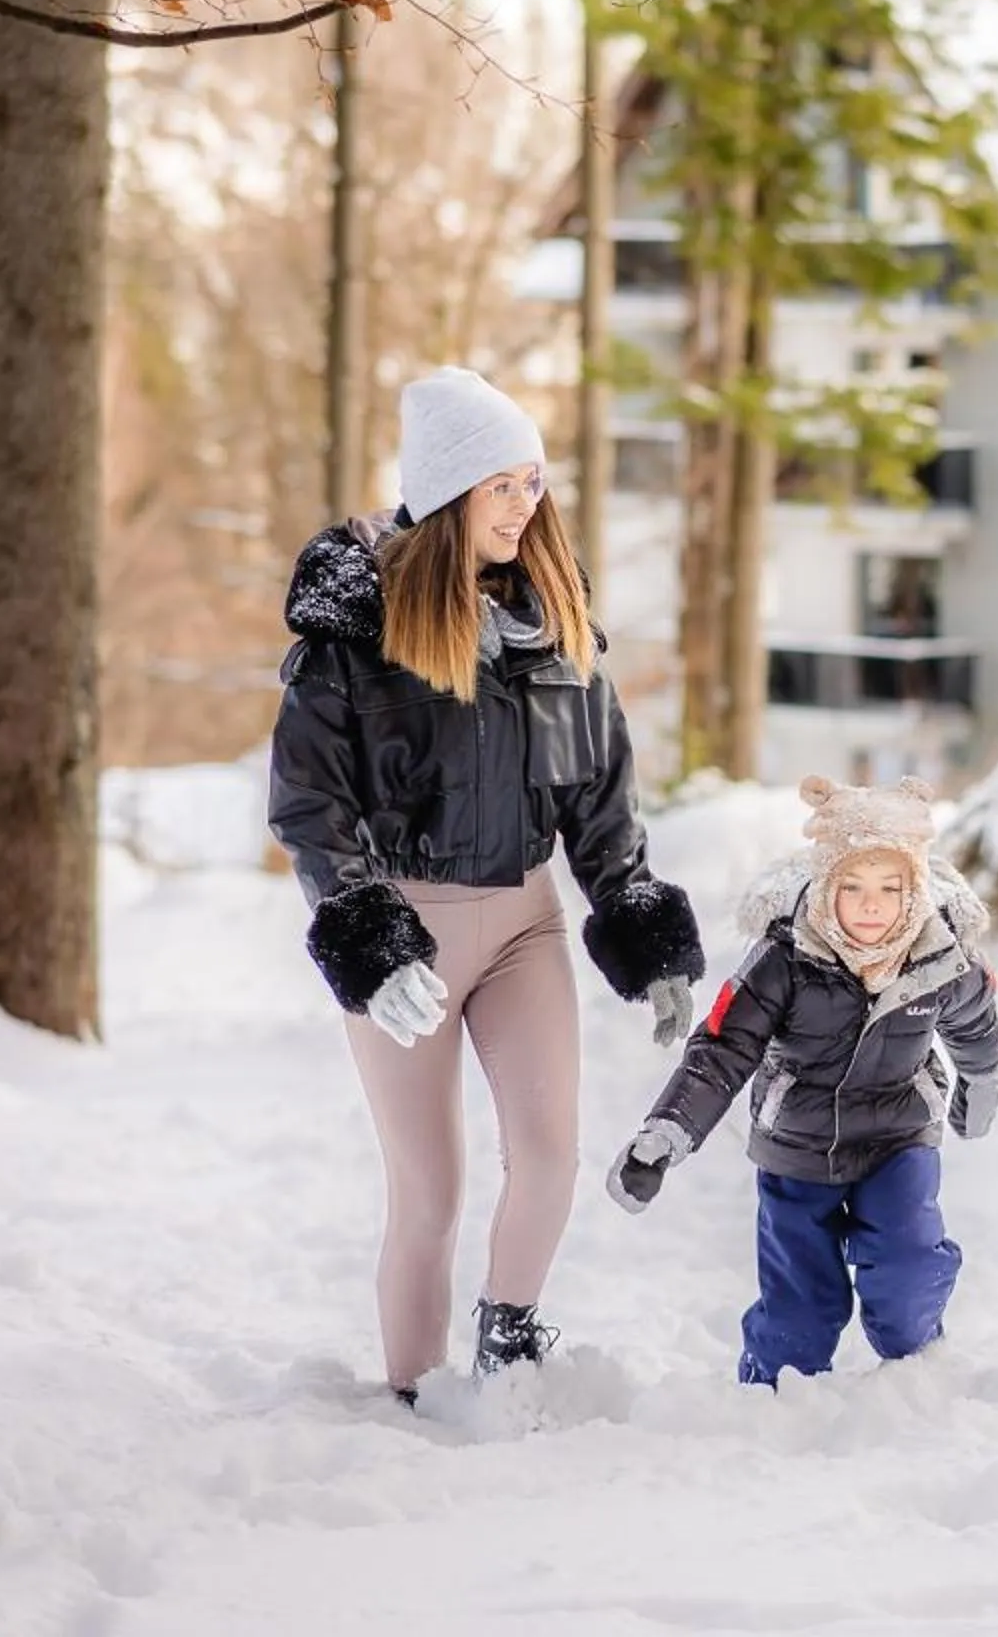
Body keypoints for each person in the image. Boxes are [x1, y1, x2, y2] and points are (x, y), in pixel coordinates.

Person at [268, 366, 706, 1405]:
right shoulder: (352, 642)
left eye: (533, 482)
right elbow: (309, 806)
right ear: (449, 490)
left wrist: (641, 930)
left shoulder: (557, 631)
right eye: (501, 484)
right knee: (430, 1190)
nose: (525, 504)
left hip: (524, 926)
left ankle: (508, 1337)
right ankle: (415, 1395)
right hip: (407, 934)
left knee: (549, 1153)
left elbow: (601, 800)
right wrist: (367, 939)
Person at [606, 775, 998, 1386]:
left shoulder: (940, 956)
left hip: (898, 1137)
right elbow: (722, 1049)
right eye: (853, 886)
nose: (872, 904)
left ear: (915, 888)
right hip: (798, 1147)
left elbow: (976, 1027)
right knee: (799, 1316)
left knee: (908, 1272)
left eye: (890, 887)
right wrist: (666, 1133)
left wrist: (981, 1087)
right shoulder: (785, 958)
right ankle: (771, 1398)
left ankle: (921, 1373)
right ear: (825, 884)